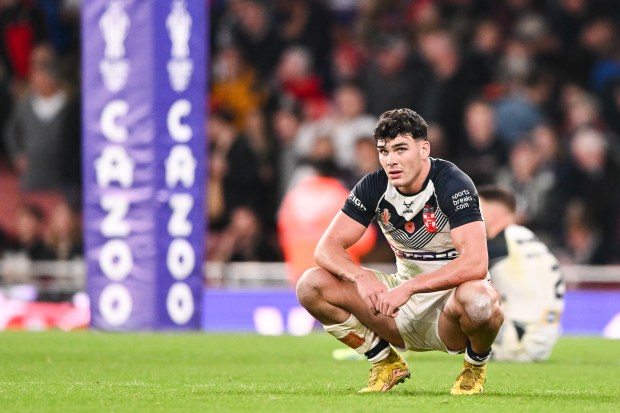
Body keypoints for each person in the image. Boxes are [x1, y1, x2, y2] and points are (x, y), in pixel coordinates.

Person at [296, 108, 504, 395]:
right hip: (399, 308)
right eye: (383, 151)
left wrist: (410, 288)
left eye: (400, 149)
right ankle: (384, 362)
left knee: (480, 300)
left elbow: (476, 263)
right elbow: (327, 248)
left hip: (451, 309)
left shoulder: (452, 183)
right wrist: (360, 277)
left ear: (423, 149)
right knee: (310, 285)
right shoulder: (374, 185)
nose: (390, 160)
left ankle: (474, 368)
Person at [478, 185, 565, 362]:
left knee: (458, 292)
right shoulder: (532, 240)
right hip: (544, 338)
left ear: (493, 213)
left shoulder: (500, 244)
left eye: (477, 208)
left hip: (517, 339)